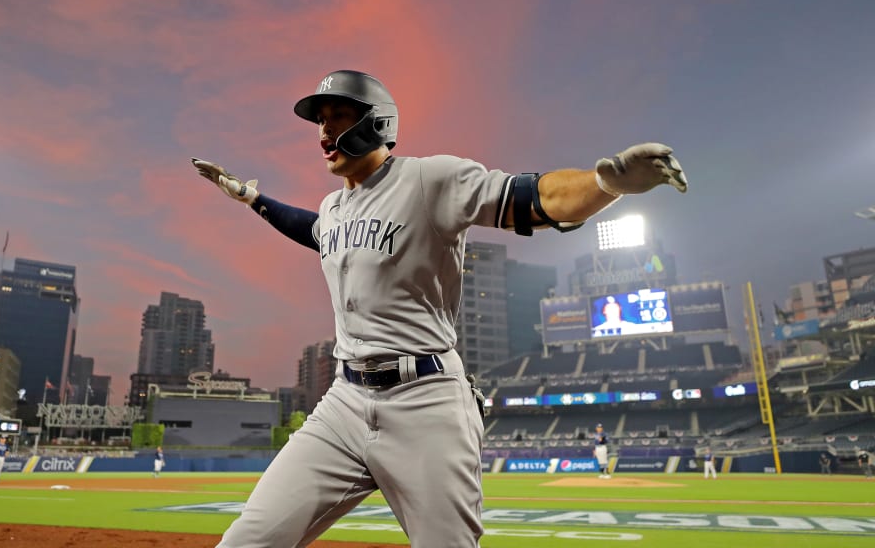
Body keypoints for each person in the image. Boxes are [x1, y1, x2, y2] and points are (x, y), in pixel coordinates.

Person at [193, 69, 688, 547]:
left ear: (376, 121)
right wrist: (252, 198)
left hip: (425, 402)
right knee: (248, 540)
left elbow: (533, 197)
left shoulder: (429, 179)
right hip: (343, 403)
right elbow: (312, 229)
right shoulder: (333, 208)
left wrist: (607, 183)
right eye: (319, 120)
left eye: (337, 116)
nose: (323, 131)